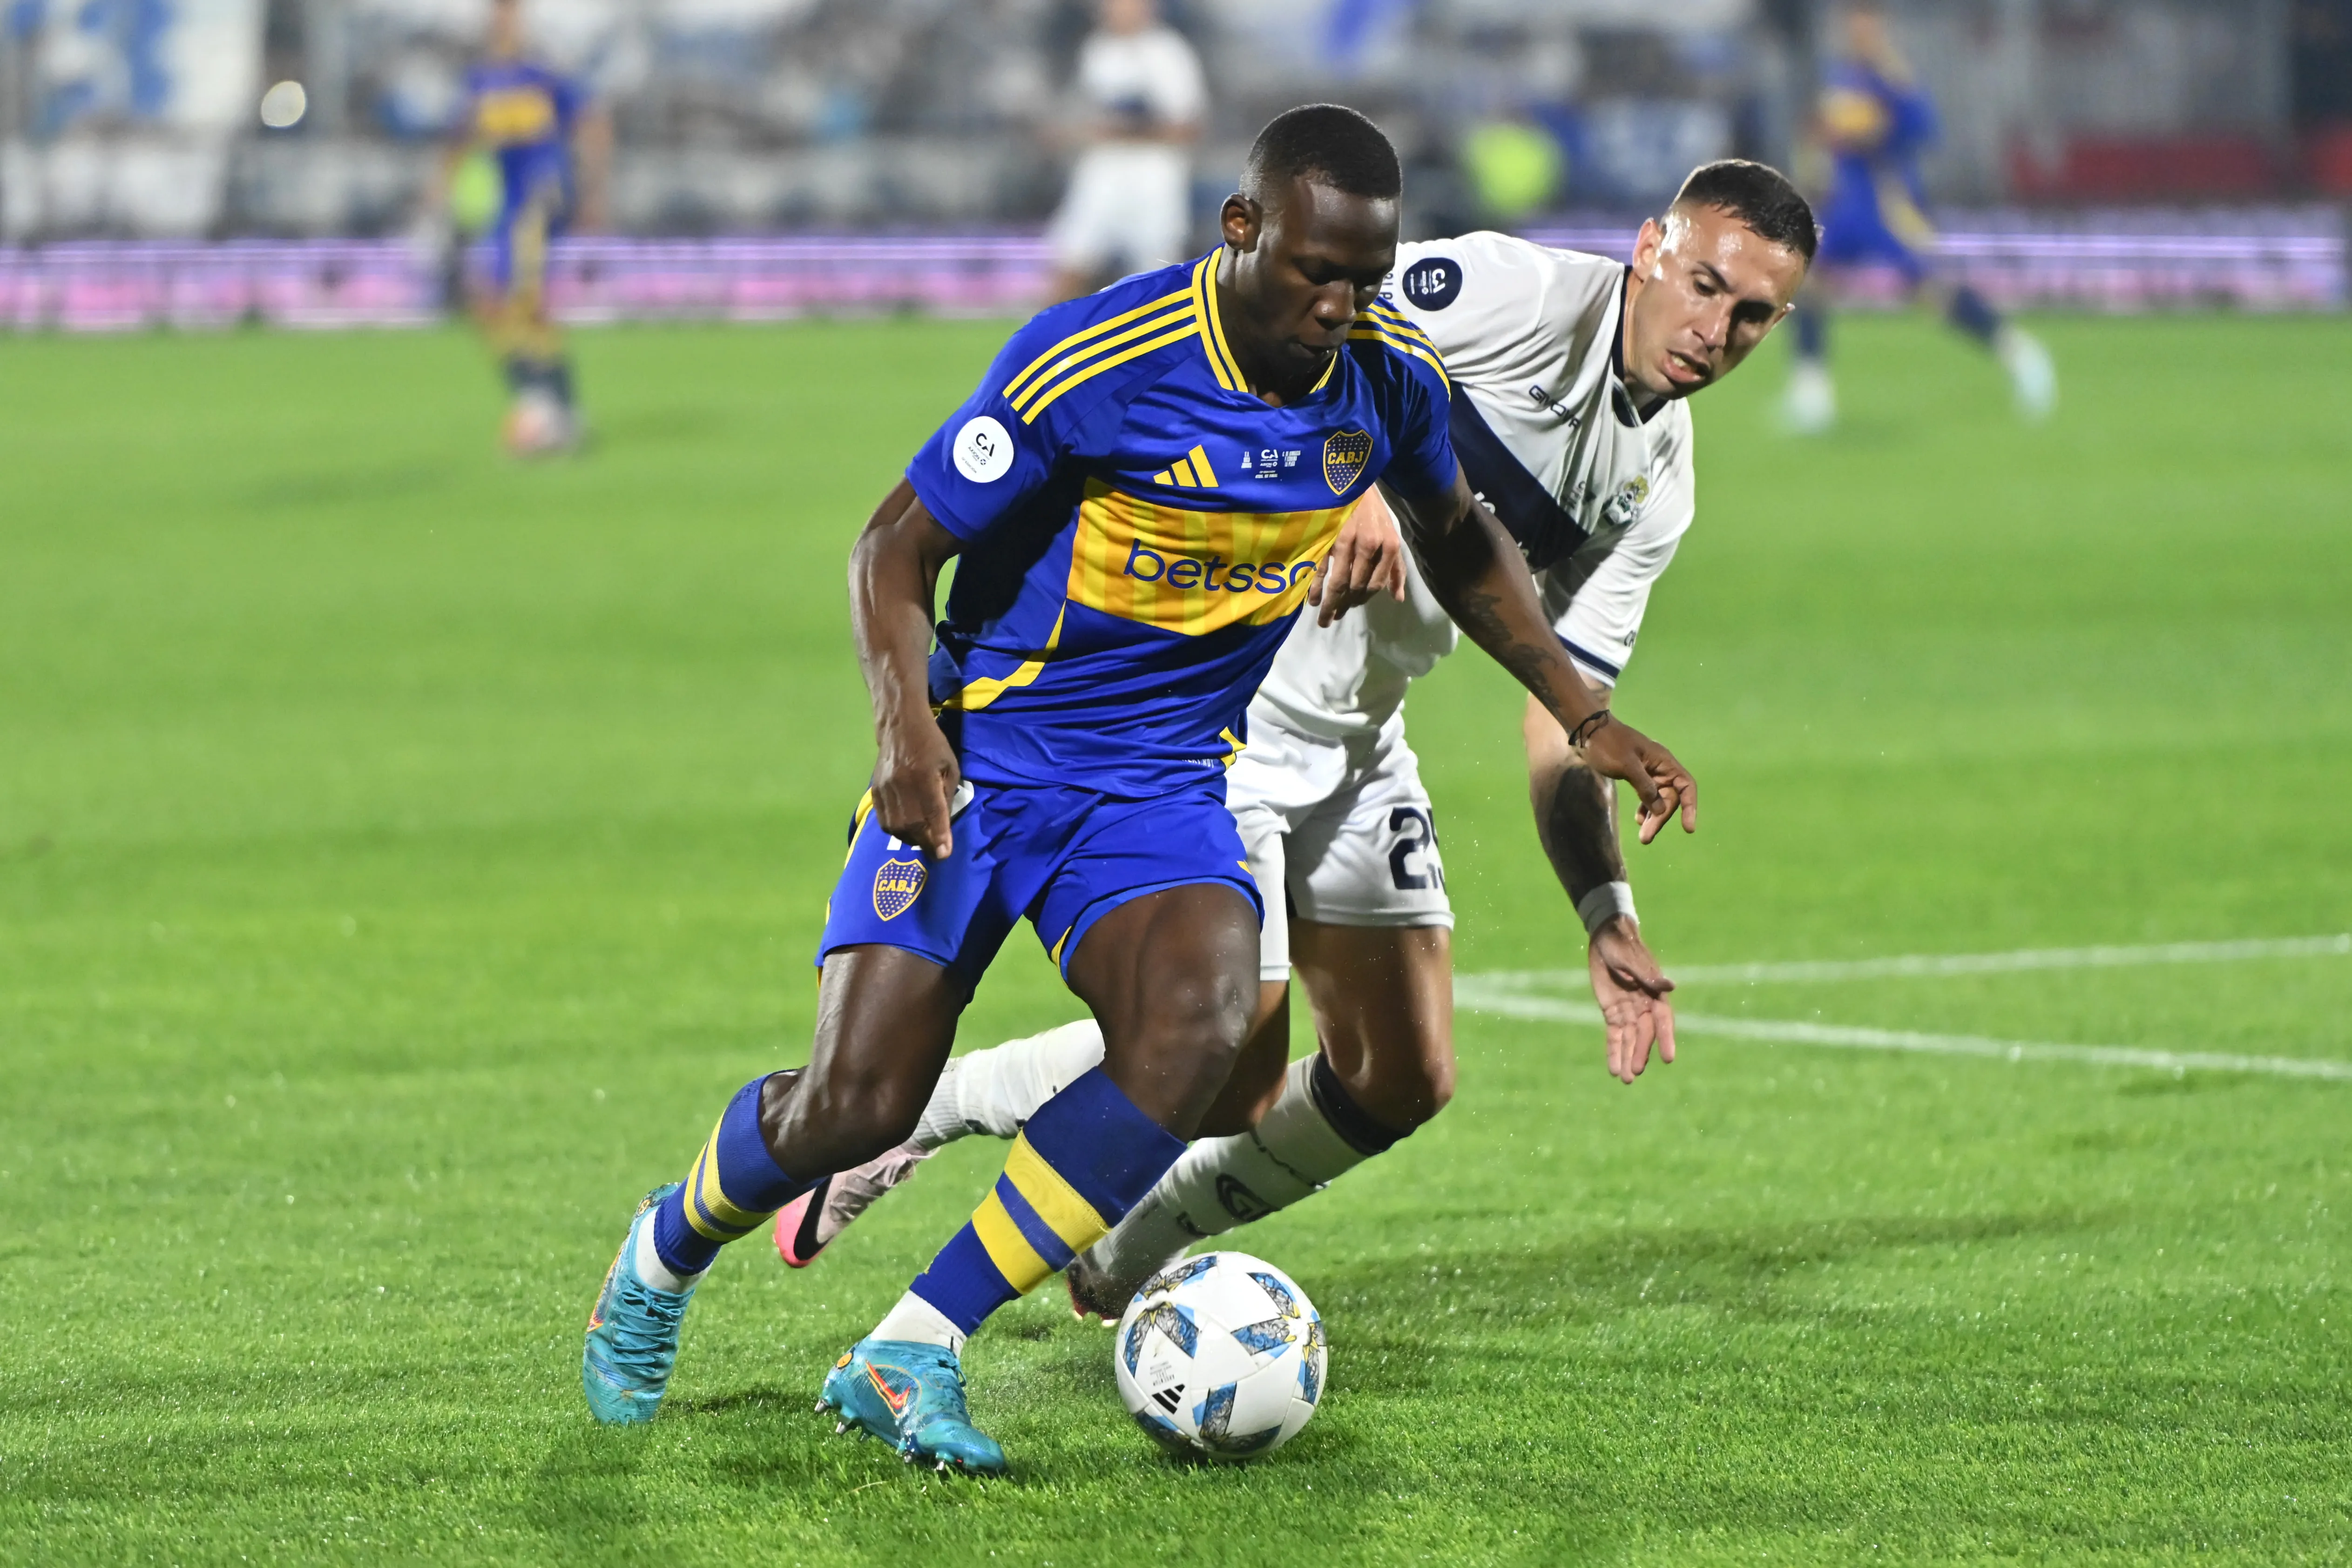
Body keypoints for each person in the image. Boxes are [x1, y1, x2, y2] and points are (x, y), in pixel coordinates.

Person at [580, 105, 1701, 1475]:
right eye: (1316, 275)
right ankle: (666, 1242)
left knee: (1198, 1036)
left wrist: (1587, 715)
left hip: (1157, 783)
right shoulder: (1103, 361)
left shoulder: (1382, 381)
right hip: (980, 761)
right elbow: (891, 548)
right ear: (1240, 233)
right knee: (854, 1102)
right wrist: (903, 735)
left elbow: (1464, 543)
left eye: (1366, 276)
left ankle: (914, 1345)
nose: (1341, 306)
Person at [771, 163, 1816, 1317]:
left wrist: (1603, 912)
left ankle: (1129, 1254)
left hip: (1362, 732)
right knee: (1225, 1062)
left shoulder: (1656, 485)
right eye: (1704, 285)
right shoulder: (1511, 292)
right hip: (1232, 712)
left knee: (1403, 1075)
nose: (1714, 330)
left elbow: (1559, 714)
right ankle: (917, 1115)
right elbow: (1327, 339)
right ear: (1649, 248)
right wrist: (1358, 473)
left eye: (1752, 314)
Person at [1781, 1, 2053, 433]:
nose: (1858, 30)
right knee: (1808, 284)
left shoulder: (1892, 76)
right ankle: (1811, 395)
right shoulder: (1843, 77)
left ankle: (2021, 354)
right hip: (1844, 206)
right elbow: (1826, 134)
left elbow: (1925, 129)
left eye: (1866, 22)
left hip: (1884, 206)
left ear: (1879, 27)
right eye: (1852, 22)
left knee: (1931, 294)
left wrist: (1878, 129)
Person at [437, 0, 609, 455]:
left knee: (522, 300)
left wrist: (592, 189)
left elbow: (592, 122)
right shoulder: (480, 82)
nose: (505, 23)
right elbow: (460, 138)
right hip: (504, 207)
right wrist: (441, 189)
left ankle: (545, 411)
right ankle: (553, 406)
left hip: (542, 196)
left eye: (512, 15)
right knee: (488, 303)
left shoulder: (544, 76)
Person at [1043, 0, 1207, 303]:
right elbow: (1086, 115)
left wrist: (1122, 131)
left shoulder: (1168, 52)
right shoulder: (1097, 49)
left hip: (1154, 175)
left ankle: (1162, 346)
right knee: (1071, 259)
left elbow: (1187, 127)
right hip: (1103, 170)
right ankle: (1042, 345)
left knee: (1157, 276)